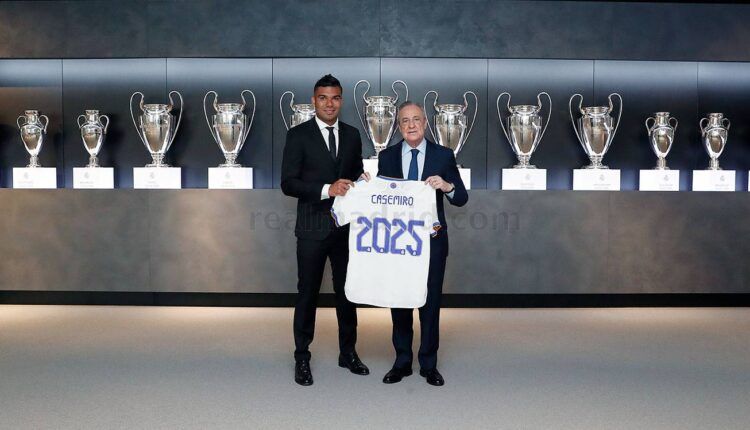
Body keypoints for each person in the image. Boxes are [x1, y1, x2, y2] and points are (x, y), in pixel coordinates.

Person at [280, 74, 370, 386]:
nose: (329, 104)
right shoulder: (298, 135)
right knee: (307, 294)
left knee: (348, 294)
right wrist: (325, 189)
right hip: (311, 228)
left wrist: (364, 181)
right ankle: (302, 357)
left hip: (346, 229)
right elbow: (288, 184)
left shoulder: (353, 134)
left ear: (341, 100)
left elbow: (355, 173)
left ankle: (348, 353)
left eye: (335, 98)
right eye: (323, 98)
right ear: (314, 101)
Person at [376, 101, 468, 386]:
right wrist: (365, 184)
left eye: (416, 119)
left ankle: (429, 364)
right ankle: (402, 361)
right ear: (399, 126)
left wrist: (447, 186)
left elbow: (462, 197)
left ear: (426, 123)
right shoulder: (387, 156)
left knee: (430, 303)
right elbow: (380, 197)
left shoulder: (443, 155)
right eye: (405, 121)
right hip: (399, 242)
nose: (411, 125)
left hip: (432, 241)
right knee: (400, 301)